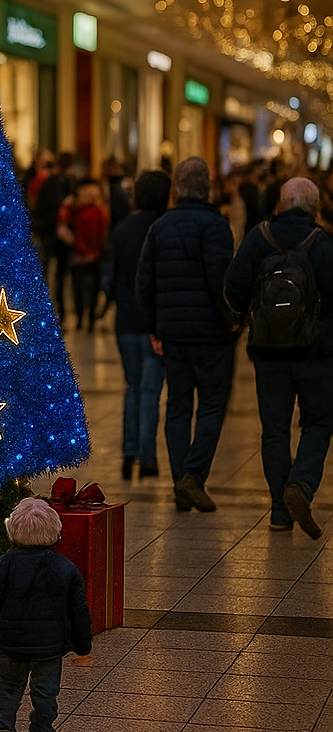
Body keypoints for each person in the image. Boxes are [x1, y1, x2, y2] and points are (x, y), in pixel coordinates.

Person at [224, 177, 333, 539]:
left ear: (282, 204)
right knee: (318, 423)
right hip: (315, 355)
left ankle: (279, 512)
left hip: (268, 352)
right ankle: (300, 485)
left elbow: (234, 290)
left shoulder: (260, 237)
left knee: (275, 430)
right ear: (314, 207)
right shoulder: (321, 243)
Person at [136, 156, 236, 512]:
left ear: (177, 188)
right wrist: (231, 322)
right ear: (208, 187)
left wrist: (155, 326)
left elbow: (144, 283)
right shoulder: (216, 226)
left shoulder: (160, 227)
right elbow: (221, 283)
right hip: (211, 336)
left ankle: (182, 481)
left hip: (174, 335)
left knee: (178, 406)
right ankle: (192, 477)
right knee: (211, 406)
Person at [0, 496, 93, 732]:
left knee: (8, 689)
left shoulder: (2, 565)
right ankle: (42, 731)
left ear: (12, 532)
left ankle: (2, 728)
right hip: (50, 648)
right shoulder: (66, 567)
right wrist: (83, 646)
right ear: (55, 533)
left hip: (11, 643)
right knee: (45, 691)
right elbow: (79, 611)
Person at [102, 169, 171, 480]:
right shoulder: (165, 228)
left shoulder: (121, 230)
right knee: (150, 390)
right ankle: (148, 456)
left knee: (132, 387)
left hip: (126, 321)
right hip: (155, 321)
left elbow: (108, 278)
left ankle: (128, 455)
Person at [56, 179, 110, 331]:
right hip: (91, 255)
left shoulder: (79, 211)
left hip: (80, 255)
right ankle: (89, 320)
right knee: (90, 289)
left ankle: (82, 320)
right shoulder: (99, 211)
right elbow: (101, 235)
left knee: (79, 289)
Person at [32, 153, 75, 314]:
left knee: (48, 272)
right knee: (58, 275)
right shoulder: (65, 182)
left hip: (49, 232)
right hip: (55, 233)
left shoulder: (49, 182)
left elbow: (37, 207)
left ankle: (49, 310)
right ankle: (59, 312)